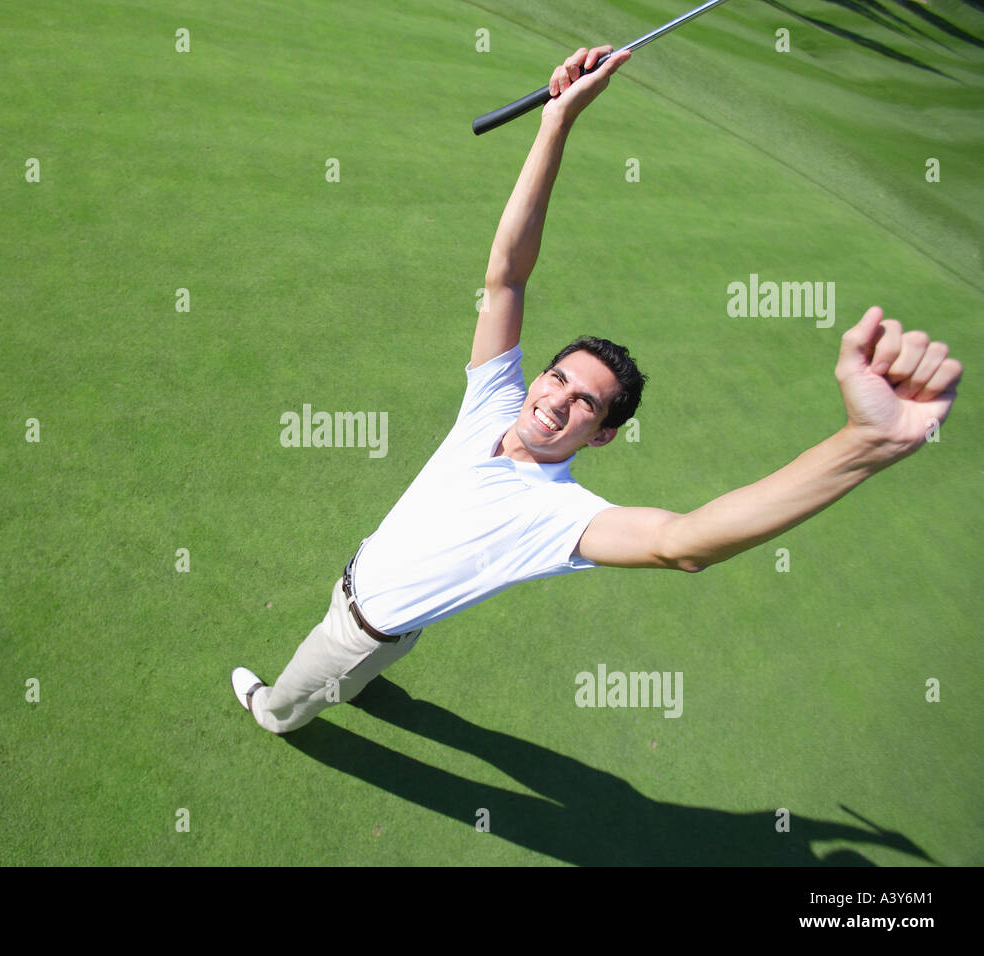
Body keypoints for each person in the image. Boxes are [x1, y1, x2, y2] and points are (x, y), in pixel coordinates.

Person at [231, 45, 962, 735]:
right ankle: (355, 677)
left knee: (295, 696)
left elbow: (684, 544)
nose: (556, 398)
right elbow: (507, 276)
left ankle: (278, 710)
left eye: (586, 403)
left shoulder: (559, 515)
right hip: (370, 585)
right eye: (558, 376)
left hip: (362, 632)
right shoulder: (493, 402)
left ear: (603, 435)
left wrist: (864, 444)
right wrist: (557, 121)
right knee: (357, 654)